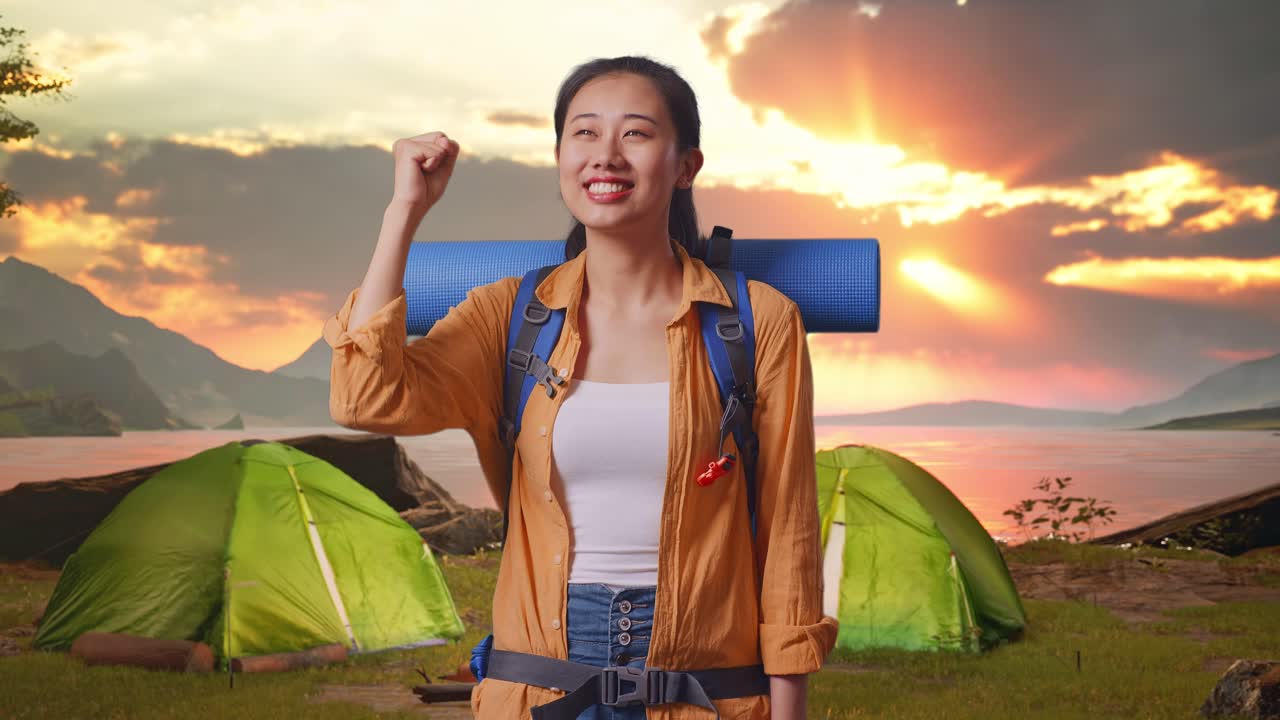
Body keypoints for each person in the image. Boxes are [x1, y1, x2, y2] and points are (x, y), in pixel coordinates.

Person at [323, 55, 838, 719]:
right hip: (539, 690)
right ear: (561, 157)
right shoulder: (509, 318)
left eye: (637, 133)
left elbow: (789, 534)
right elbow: (366, 398)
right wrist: (404, 211)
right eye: (585, 132)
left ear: (686, 166)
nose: (606, 155)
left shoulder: (756, 321)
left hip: (707, 695)